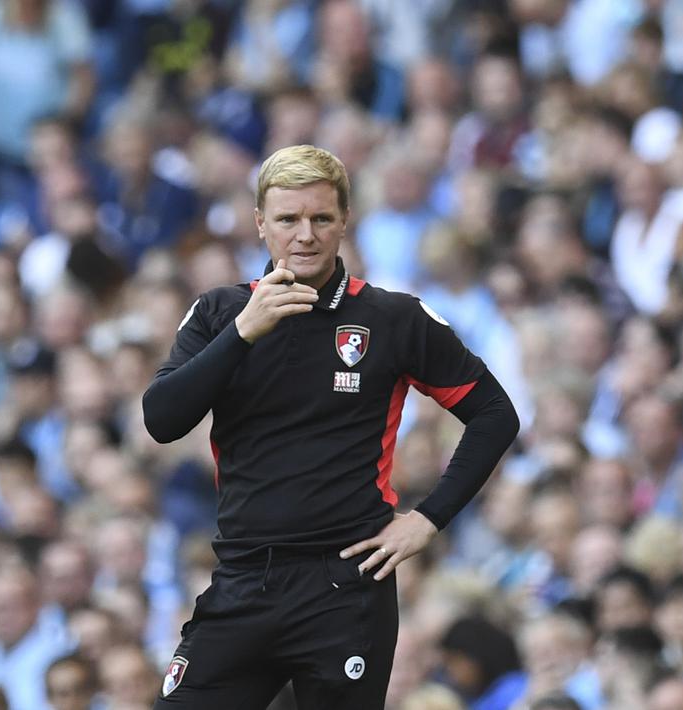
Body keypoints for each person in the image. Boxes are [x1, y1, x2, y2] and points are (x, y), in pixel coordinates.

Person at [142, 144, 520, 708]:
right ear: (260, 225)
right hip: (244, 578)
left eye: (321, 218)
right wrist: (244, 333)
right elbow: (162, 420)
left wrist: (427, 519)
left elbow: (495, 414)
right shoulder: (221, 313)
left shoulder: (391, 318)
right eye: (288, 219)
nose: (305, 235)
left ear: (345, 220)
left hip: (344, 588)